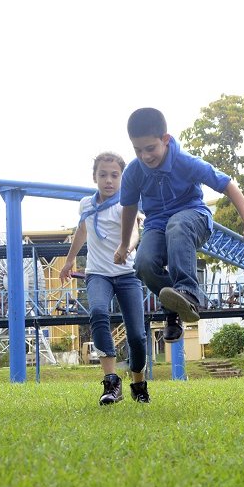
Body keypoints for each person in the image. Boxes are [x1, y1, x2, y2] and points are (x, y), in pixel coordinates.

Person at [115, 107, 244, 344]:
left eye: (150, 148)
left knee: (177, 224)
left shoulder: (186, 162)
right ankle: (174, 309)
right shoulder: (133, 172)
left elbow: (227, 185)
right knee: (142, 263)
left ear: (165, 139)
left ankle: (189, 292)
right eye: (138, 150)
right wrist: (124, 245)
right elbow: (129, 208)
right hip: (156, 225)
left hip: (194, 218)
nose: (145, 156)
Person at [60, 152, 150, 405]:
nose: (108, 180)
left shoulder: (127, 204)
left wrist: (127, 248)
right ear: (94, 177)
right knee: (98, 312)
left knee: (136, 336)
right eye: (103, 175)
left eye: (114, 175)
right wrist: (69, 261)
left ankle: (138, 383)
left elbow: (134, 233)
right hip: (97, 273)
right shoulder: (86, 204)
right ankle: (111, 382)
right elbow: (82, 230)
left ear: (122, 177)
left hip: (127, 274)